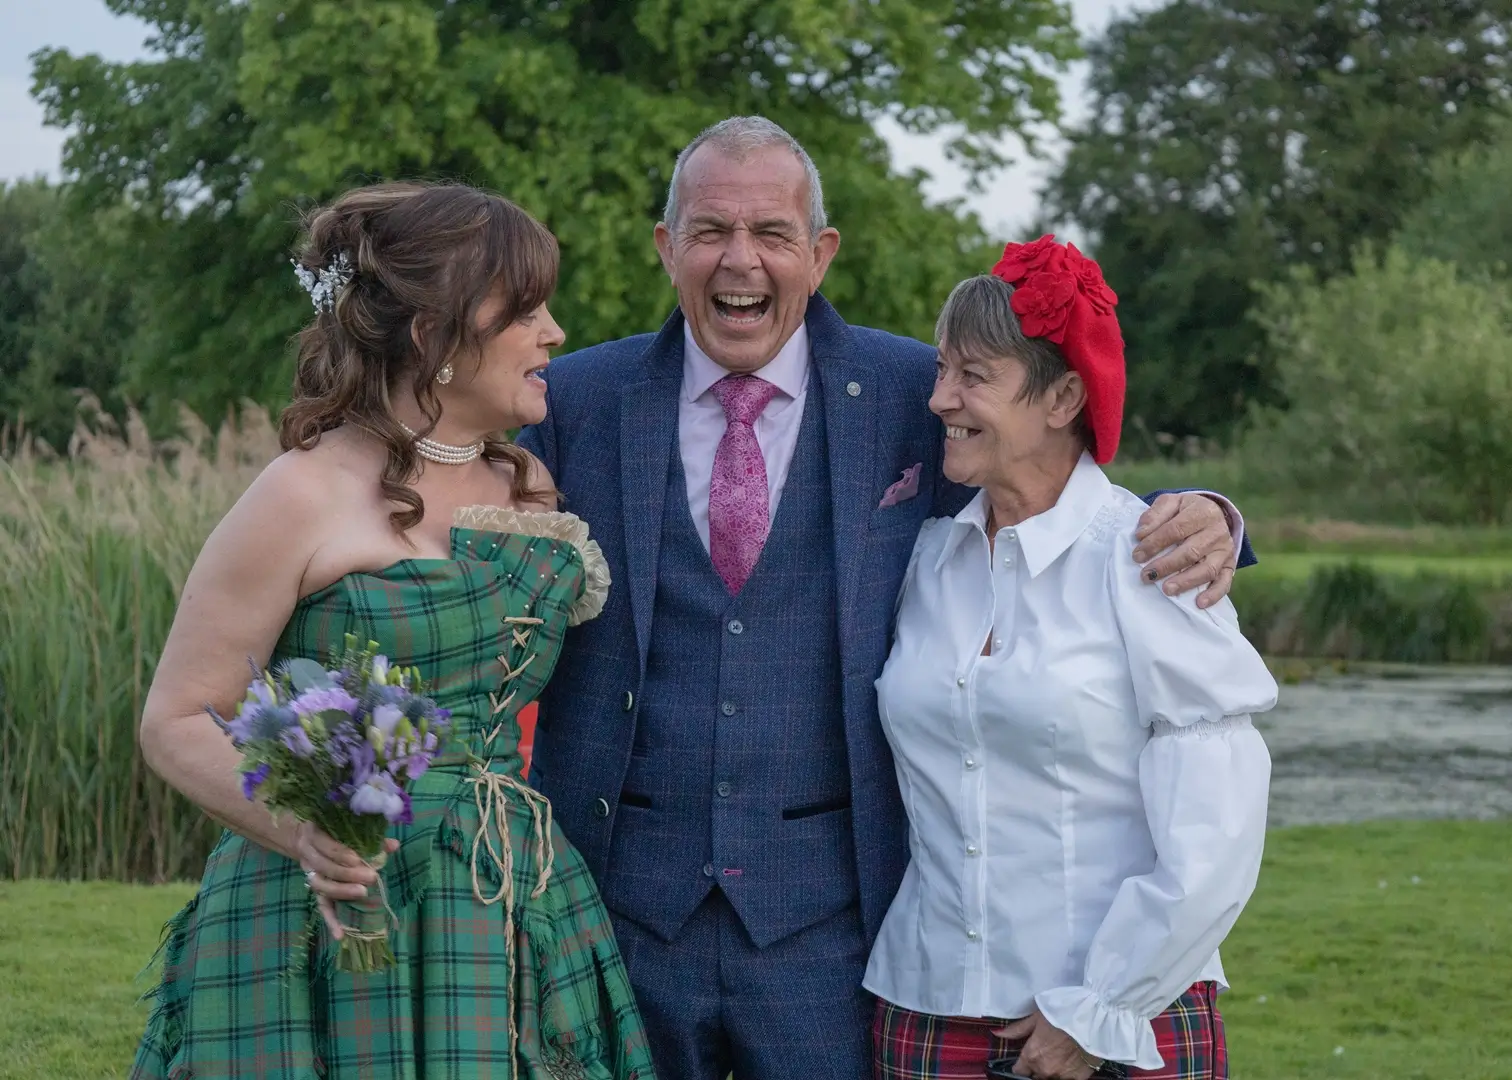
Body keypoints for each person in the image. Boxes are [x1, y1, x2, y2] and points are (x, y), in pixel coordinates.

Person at [515, 116, 1255, 1080]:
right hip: (618, 915)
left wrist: (1209, 517)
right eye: (710, 231)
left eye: (772, 233)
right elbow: (452, 509)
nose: (741, 260)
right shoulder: (573, 400)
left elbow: (1052, 477)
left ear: (820, 253)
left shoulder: (913, 389)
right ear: (666, 247)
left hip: (834, 931)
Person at [130, 182, 655, 1080]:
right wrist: (306, 825)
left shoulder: (529, 486)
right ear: (432, 335)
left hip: (502, 893)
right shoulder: (304, 492)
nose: (554, 333)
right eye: (525, 311)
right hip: (331, 908)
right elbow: (176, 718)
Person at [865, 245, 1276, 1080]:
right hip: (927, 1008)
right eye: (941, 370)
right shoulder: (924, 560)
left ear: (1063, 398)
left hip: (1120, 1024)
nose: (940, 398)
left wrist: (1102, 1008)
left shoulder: (1151, 560)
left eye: (974, 375)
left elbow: (1217, 824)